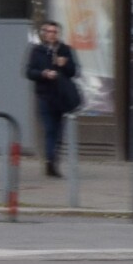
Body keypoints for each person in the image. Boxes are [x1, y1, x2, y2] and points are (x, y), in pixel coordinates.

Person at [26, 21, 82, 178]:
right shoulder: (37, 51)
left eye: (55, 32)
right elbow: (29, 72)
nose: (52, 34)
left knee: (58, 132)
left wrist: (64, 65)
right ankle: (50, 161)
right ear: (44, 33)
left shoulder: (65, 50)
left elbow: (73, 72)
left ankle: (53, 160)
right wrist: (43, 74)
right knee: (49, 129)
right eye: (49, 31)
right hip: (45, 95)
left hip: (61, 96)